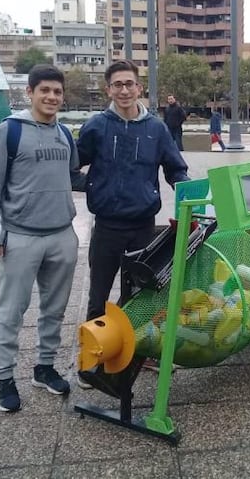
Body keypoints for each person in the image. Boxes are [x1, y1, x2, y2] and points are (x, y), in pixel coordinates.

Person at [0, 64, 86, 413]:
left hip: (61, 236)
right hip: (20, 237)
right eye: (45, 91)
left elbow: (71, 175)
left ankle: (44, 367)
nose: (52, 97)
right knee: (11, 311)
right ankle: (5, 378)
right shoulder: (8, 132)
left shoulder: (65, 134)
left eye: (57, 91)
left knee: (54, 310)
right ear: (31, 93)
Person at [77, 59, 189, 325]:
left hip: (143, 227)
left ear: (139, 88)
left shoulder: (156, 129)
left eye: (129, 84)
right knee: (99, 296)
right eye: (118, 85)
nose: (124, 91)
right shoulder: (96, 127)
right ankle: (96, 351)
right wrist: (92, 185)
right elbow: (72, 164)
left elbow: (175, 169)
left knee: (141, 294)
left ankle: (137, 348)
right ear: (109, 90)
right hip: (107, 227)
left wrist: (187, 189)